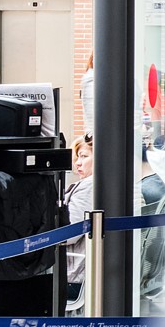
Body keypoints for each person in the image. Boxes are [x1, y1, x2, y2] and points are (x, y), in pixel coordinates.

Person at [62, 132, 95, 310]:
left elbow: (69, 235)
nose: (78, 163)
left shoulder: (89, 186)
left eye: (84, 156)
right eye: (77, 157)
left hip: (74, 277)